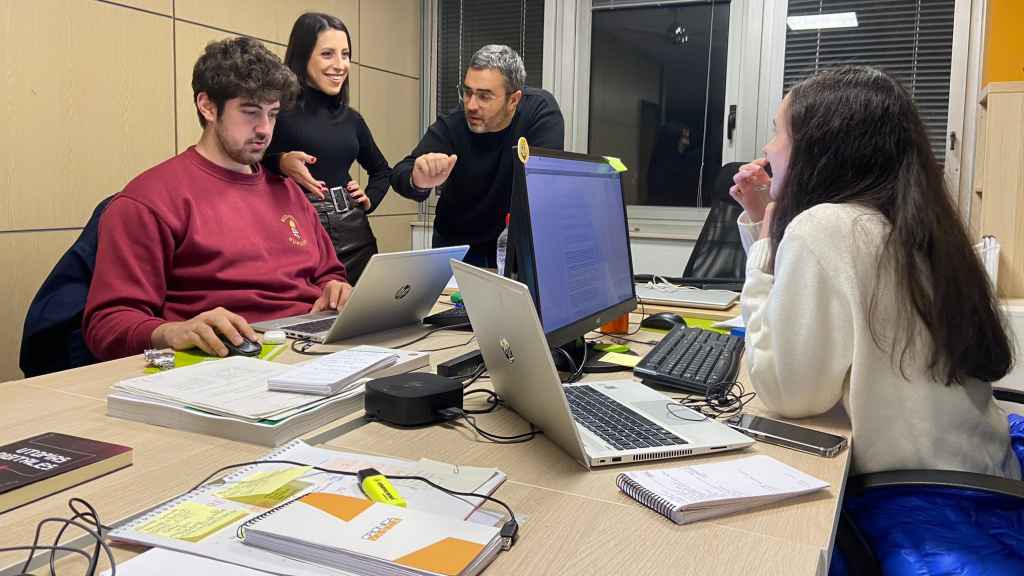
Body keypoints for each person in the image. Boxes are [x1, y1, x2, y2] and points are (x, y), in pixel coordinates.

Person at [729, 66, 1020, 478]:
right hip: (983, 470)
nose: (767, 147)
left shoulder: (825, 227)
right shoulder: (906, 224)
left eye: (778, 132)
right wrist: (766, 225)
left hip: (924, 505)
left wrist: (763, 245)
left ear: (820, 148)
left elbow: (786, 393)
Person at [83, 37, 352, 361]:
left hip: (312, 351)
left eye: (273, 113)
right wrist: (174, 331)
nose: (265, 129)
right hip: (227, 362)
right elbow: (107, 324)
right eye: (251, 113)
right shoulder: (150, 201)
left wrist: (336, 289)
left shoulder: (290, 192)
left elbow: (329, 274)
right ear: (207, 106)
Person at [390, 44, 564, 267]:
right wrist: (418, 180)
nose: (471, 105)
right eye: (467, 92)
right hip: (457, 245)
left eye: (484, 96)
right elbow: (400, 173)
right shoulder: (453, 124)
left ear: (514, 100)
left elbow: (544, 184)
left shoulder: (539, 111)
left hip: (511, 246)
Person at [264, 13, 391, 284]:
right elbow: (246, 169)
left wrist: (368, 199)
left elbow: (382, 171)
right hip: (297, 236)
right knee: (307, 320)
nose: (340, 65)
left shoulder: (352, 118)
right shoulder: (275, 112)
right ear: (303, 56)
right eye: (327, 54)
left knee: (365, 316)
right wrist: (280, 162)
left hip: (356, 234)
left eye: (345, 55)